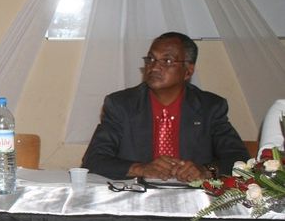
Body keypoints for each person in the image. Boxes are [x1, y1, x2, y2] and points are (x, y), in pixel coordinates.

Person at [81, 31, 249, 182]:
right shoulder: (121, 104)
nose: (154, 67)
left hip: (193, 200)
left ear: (188, 71)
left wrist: (206, 170)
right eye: (151, 59)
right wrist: (142, 168)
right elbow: (94, 159)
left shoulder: (210, 107)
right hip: (137, 196)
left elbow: (240, 159)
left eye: (167, 61)